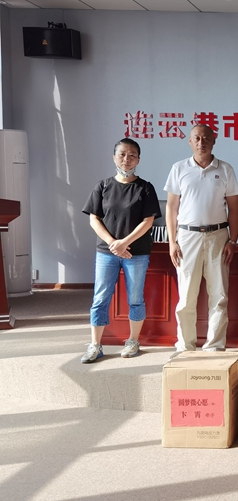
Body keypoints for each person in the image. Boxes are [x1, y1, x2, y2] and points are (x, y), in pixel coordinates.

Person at [80, 138, 161, 363]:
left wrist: (124, 242)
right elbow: (94, 219)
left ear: (138, 160)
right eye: (122, 154)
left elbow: (148, 221)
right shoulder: (103, 186)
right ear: (114, 157)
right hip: (106, 252)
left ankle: (133, 341)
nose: (127, 159)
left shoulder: (145, 187)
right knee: (100, 298)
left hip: (137, 252)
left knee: (135, 298)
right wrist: (113, 243)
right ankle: (95, 345)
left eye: (132, 155)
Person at [165, 125, 238, 352]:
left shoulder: (225, 169)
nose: (201, 143)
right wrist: (172, 241)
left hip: (218, 237)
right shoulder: (179, 168)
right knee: (187, 296)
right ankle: (185, 345)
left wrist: (233, 241)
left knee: (219, 294)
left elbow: (234, 209)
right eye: (196, 138)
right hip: (187, 237)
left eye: (206, 138)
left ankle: (214, 346)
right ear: (189, 141)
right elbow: (171, 207)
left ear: (214, 141)